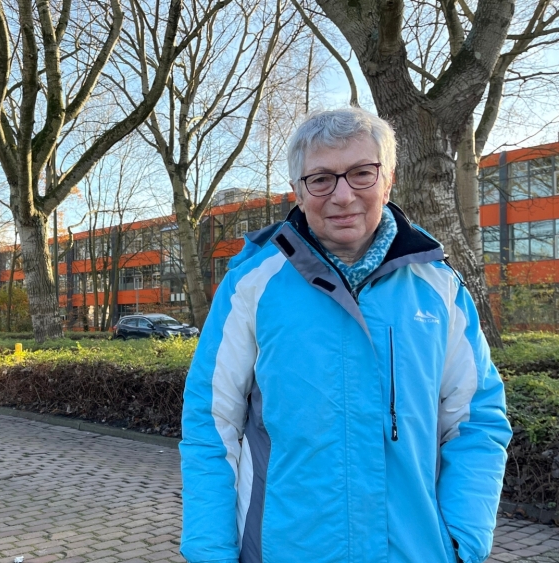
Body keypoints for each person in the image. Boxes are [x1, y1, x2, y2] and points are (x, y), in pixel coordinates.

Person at [179, 107, 511, 563]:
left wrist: (464, 542)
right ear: (298, 191)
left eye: (361, 173)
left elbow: (476, 422)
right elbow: (209, 426)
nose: (342, 196)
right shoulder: (251, 285)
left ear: (388, 178)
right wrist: (211, 552)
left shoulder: (440, 287)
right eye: (321, 179)